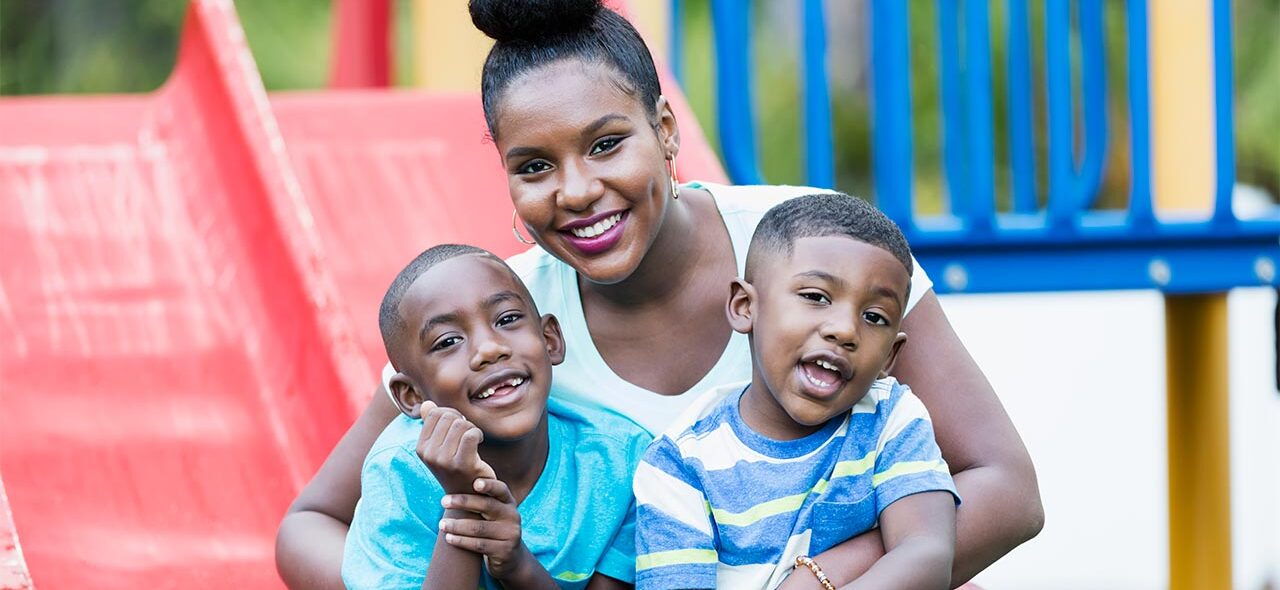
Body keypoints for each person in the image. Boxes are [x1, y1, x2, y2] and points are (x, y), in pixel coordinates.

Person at [275, 1, 1044, 588]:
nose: (578, 191)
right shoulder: (501, 327)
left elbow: (1004, 489)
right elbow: (311, 524)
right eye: (534, 166)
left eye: (608, 144)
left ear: (666, 129)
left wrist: (817, 577)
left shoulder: (816, 253)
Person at [634, 194, 957, 590]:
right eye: (816, 297)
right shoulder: (680, 464)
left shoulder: (891, 419)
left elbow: (926, 553)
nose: (844, 330)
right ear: (744, 306)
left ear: (890, 355)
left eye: (874, 317)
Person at [343, 244, 647, 590]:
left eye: (507, 319)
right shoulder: (398, 474)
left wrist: (518, 565)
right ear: (411, 396)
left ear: (550, 340)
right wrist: (464, 507)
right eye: (448, 341)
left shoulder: (621, 462)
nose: (489, 349)